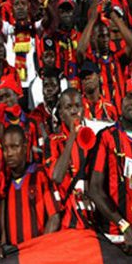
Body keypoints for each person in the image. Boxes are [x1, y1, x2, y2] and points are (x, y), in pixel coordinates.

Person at [89, 78, 132, 254]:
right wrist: (123, 226)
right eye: (130, 97)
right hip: (113, 235)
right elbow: (94, 189)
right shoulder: (106, 137)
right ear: (121, 101)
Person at [0, 125, 61, 249]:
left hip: (37, 253)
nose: (9, 153)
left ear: (24, 147)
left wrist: (40, 249)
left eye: (14, 147)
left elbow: (54, 217)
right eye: (5, 148)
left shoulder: (40, 175)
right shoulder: (4, 182)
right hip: (14, 256)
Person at [45, 88, 94, 230]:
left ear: (83, 110)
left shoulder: (95, 138)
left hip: (93, 222)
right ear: (61, 114)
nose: (74, 111)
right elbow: (56, 176)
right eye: (68, 107)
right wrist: (72, 135)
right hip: (68, 223)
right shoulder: (53, 142)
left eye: (77, 106)